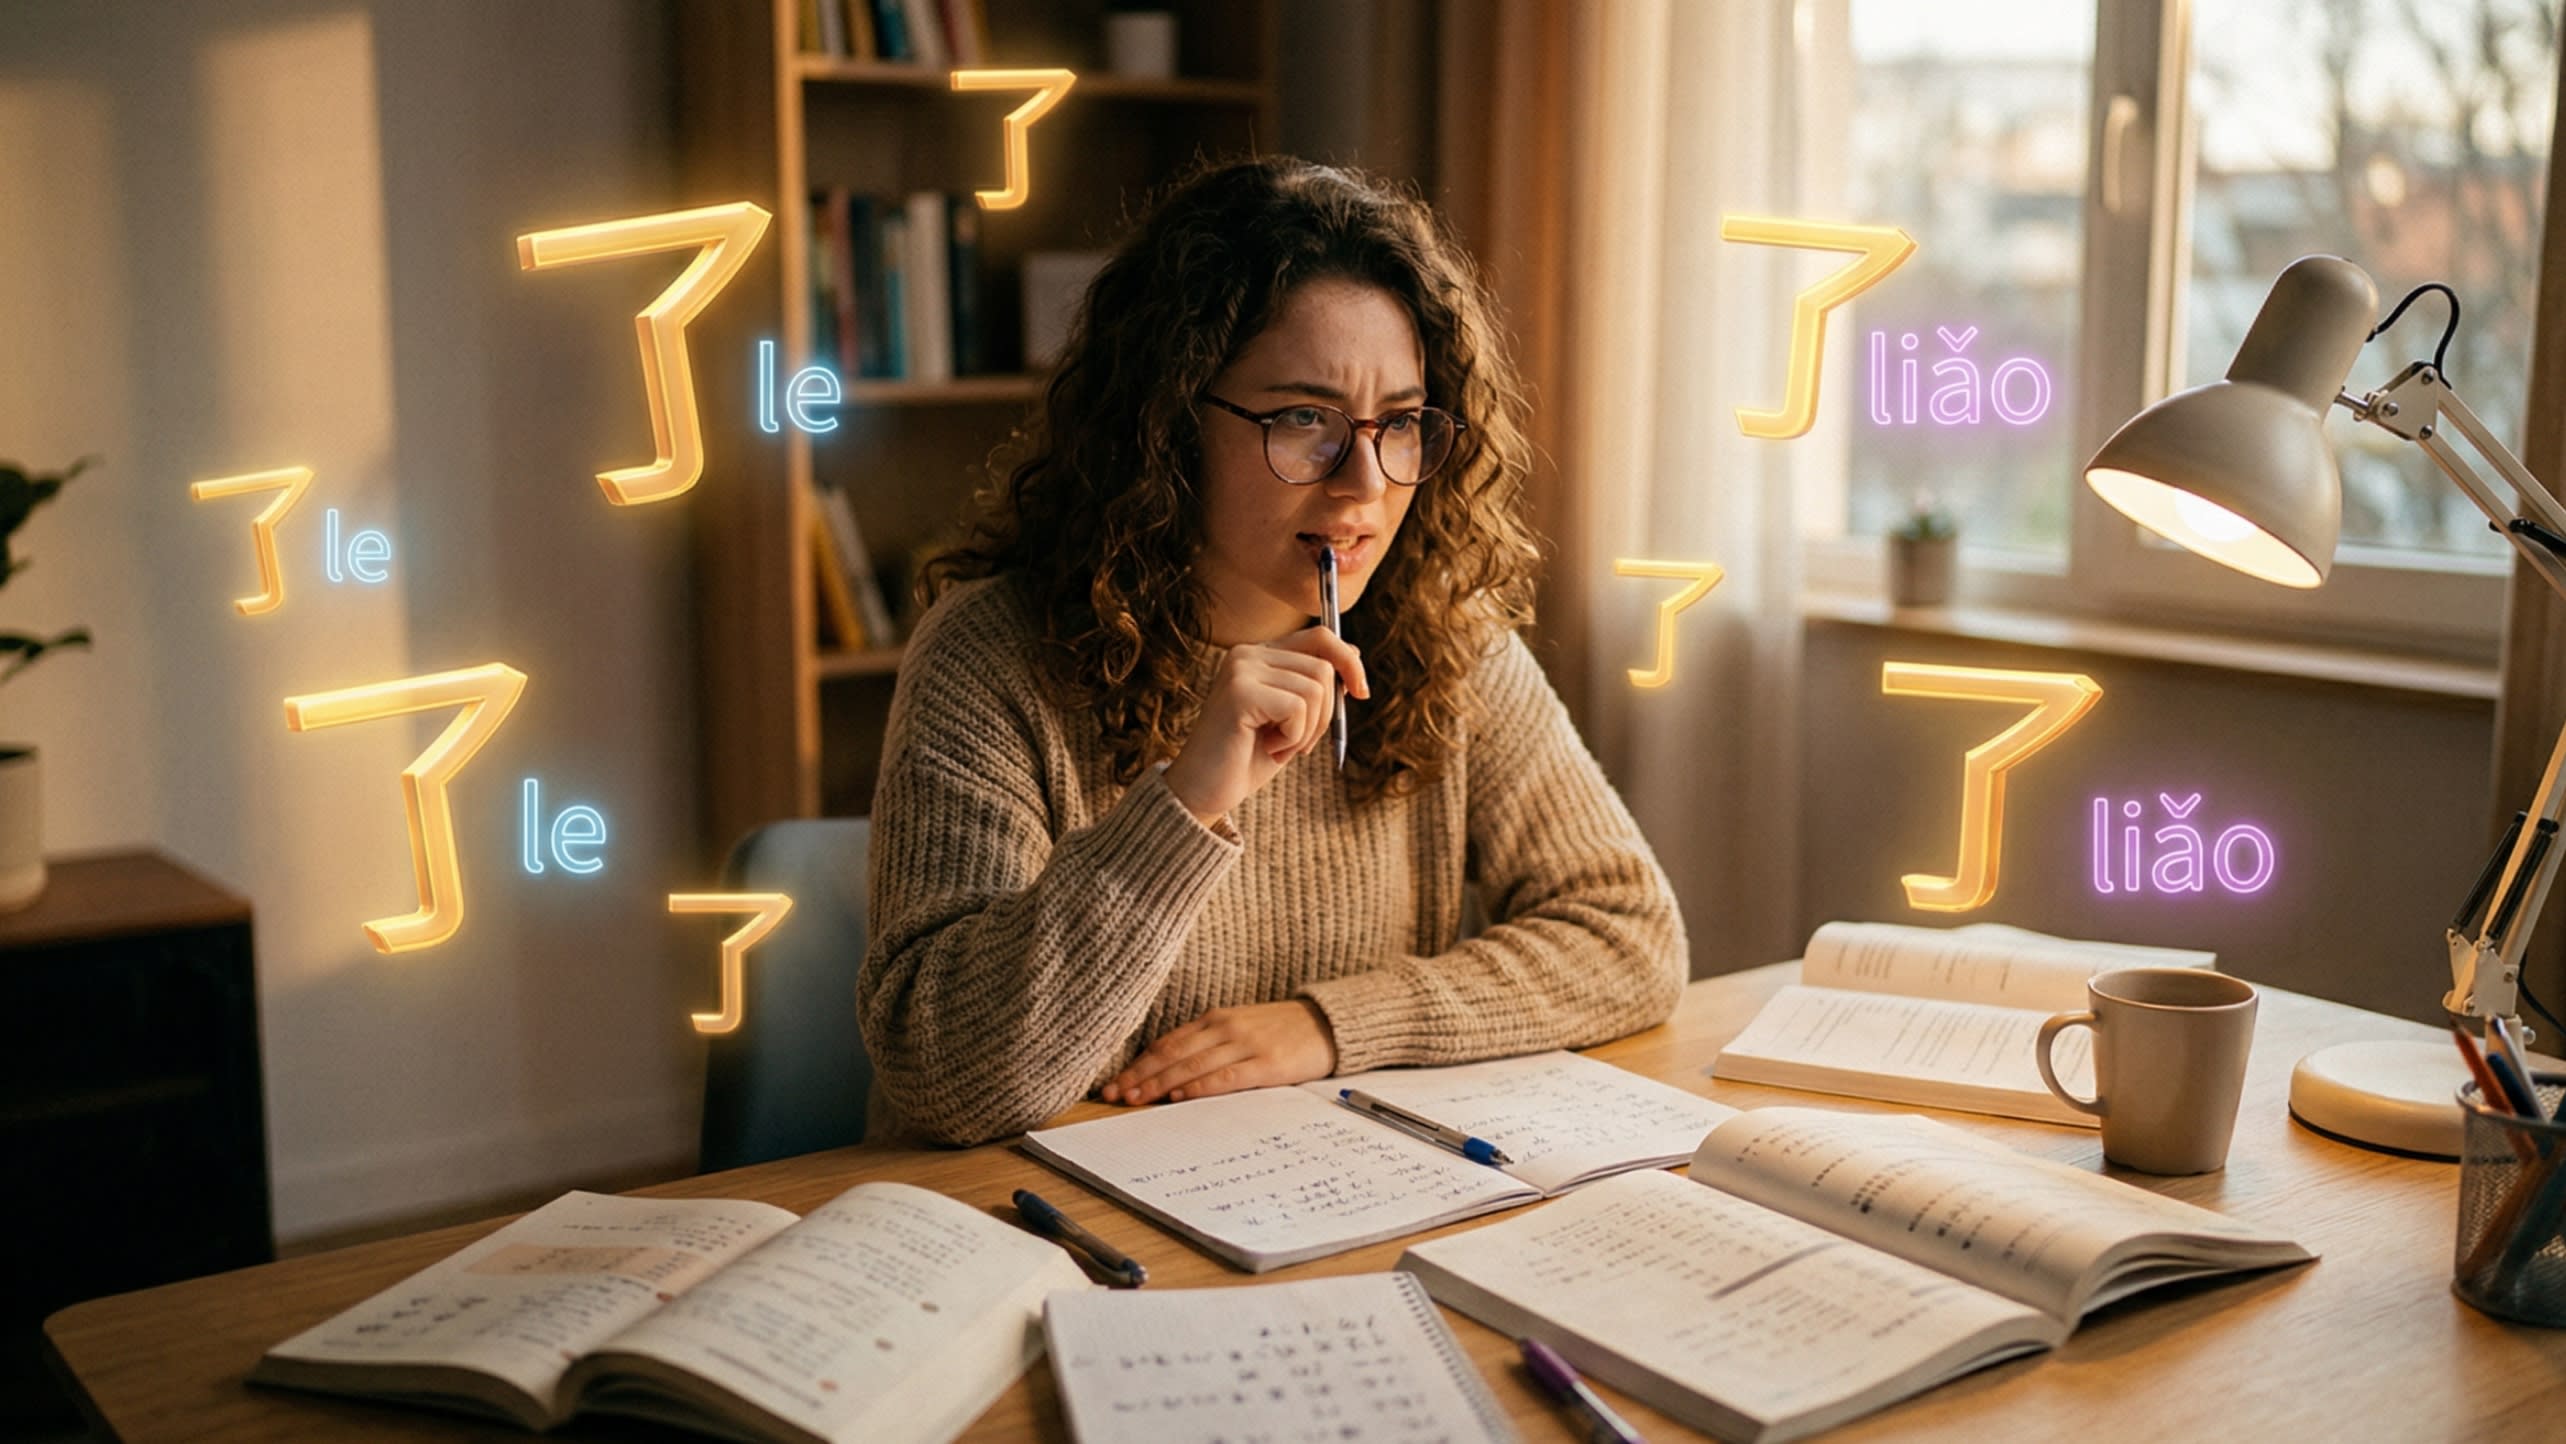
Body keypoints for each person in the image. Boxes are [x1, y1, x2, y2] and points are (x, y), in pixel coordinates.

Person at [858, 156, 1685, 1147]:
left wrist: (1330, 1028)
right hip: (1054, 1222)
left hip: (1322, 1203)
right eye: (1304, 421)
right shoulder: (993, 657)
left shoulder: (1441, 638)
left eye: (1401, 426)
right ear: (1167, 422)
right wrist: (1185, 802)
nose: (1362, 485)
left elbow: (1629, 934)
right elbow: (951, 1082)